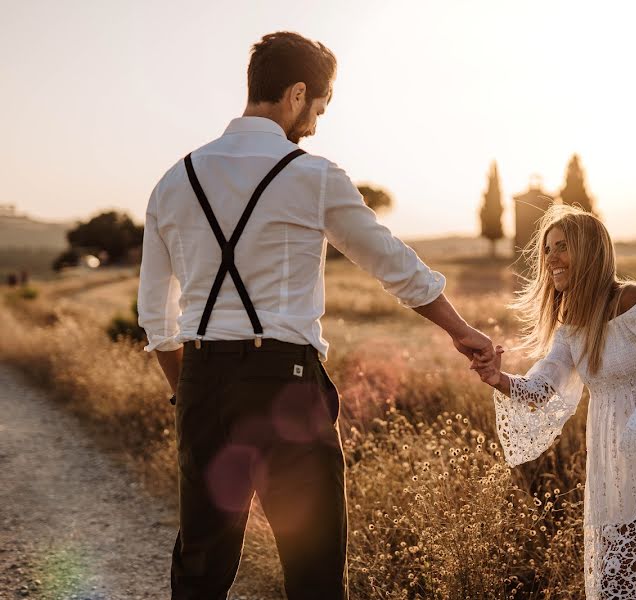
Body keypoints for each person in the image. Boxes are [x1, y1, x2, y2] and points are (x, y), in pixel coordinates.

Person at [137, 31, 493, 600]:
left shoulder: (173, 181)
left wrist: (190, 392)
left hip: (201, 380)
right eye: (320, 108)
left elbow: (155, 316)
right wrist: (459, 329)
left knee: (200, 568)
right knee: (314, 570)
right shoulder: (312, 175)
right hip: (285, 384)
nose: (317, 123)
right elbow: (390, 261)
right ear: (297, 93)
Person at [471, 204, 636, 598]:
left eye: (561, 247)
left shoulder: (633, 301)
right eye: (547, 250)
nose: (551, 259)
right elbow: (543, 387)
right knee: (622, 586)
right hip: (614, 471)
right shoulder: (571, 321)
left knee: (618, 585)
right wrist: (498, 379)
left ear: (589, 251)